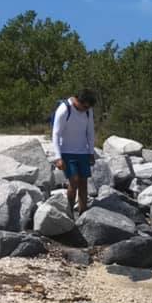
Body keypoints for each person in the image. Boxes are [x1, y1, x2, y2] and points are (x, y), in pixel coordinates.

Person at [51, 88, 97, 217]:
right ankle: (69, 211)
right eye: (84, 107)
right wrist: (58, 157)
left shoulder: (88, 111)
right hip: (66, 151)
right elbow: (56, 133)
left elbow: (90, 132)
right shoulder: (65, 109)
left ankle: (83, 213)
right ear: (77, 100)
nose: (85, 110)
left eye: (87, 108)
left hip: (83, 151)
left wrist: (91, 152)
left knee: (83, 182)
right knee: (74, 181)